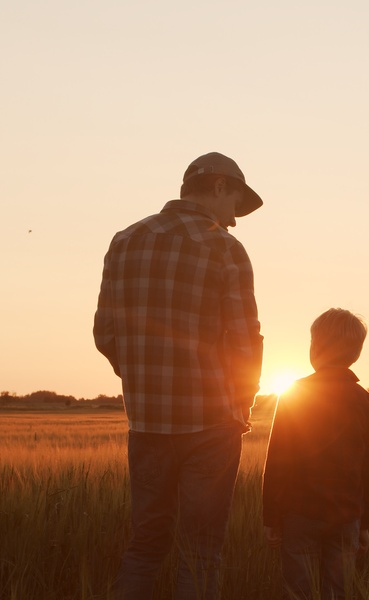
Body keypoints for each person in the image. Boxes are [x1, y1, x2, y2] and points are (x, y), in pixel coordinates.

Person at [93, 152, 264, 600]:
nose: (234, 220)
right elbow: (246, 339)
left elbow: (105, 332)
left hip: (146, 424)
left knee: (146, 544)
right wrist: (240, 404)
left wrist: (140, 377)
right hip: (211, 424)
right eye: (236, 206)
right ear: (221, 187)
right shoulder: (224, 248)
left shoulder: (125, 240)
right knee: (201, 549)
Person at [262, 308, 369, 600]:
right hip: (346, 516)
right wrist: (365, 524)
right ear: (356, 353)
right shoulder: (364, 400)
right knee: (338, 592)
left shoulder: (294, 394)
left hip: (299, 514)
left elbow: (276, 462)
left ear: (315, 348)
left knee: (298, 591)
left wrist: (271, 518)